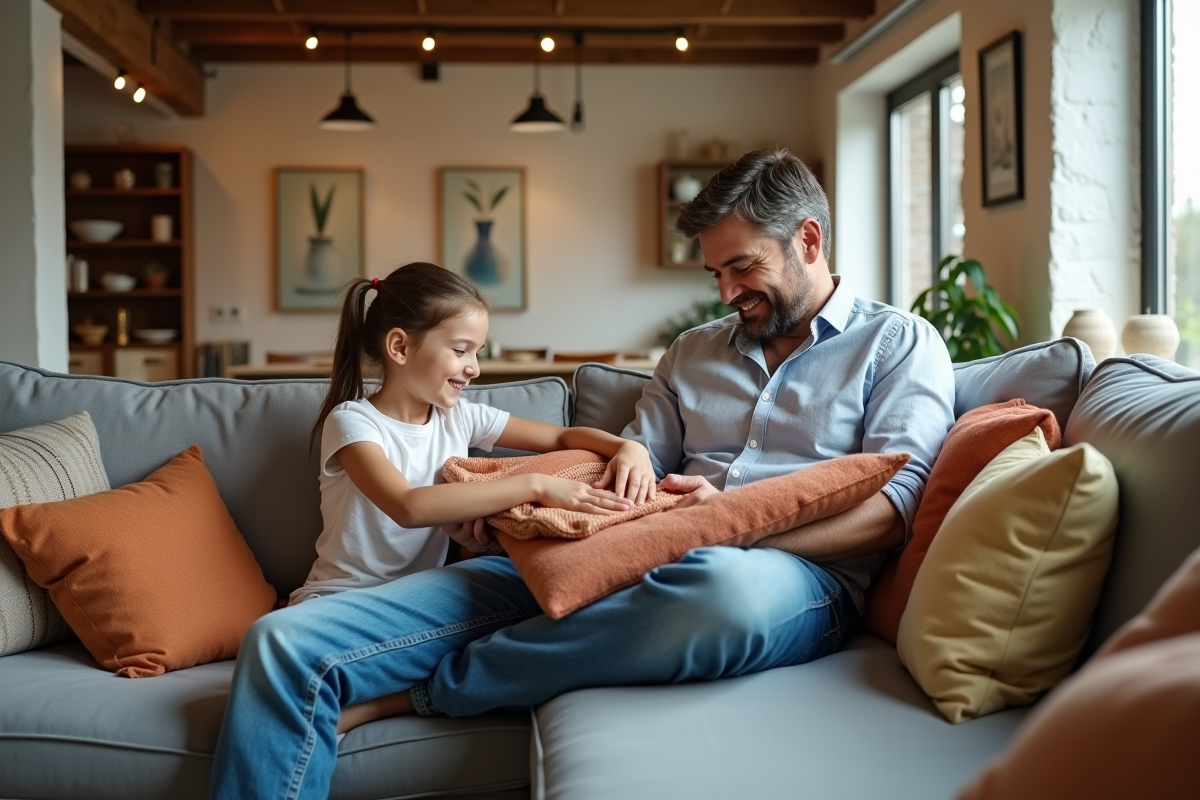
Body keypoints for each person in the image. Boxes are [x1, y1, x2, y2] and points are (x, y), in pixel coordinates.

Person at [210, 148, 955, 800]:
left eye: (743, 267)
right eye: (715, 273)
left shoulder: (897, 345)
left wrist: (731, 527)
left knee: (719, 590)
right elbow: (625, 465)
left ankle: (432, 693)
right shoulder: (692, 353)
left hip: (786, 578)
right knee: (283, 643)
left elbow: (894, 509)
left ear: (809, 240)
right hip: (617, 553)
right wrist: (513, 515)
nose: (726, 293)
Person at [289, 263, 654, 609]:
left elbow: (561, 439)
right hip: (340, 599)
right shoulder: (354, 422)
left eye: (477, 353)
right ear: (400, 347)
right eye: (460, 350)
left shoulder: (460, 417)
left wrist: (627, 447)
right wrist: (538, 486)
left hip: (416, 601)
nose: (474, 368)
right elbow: (408, 506)